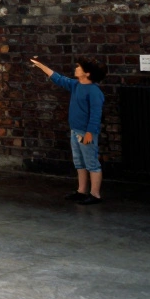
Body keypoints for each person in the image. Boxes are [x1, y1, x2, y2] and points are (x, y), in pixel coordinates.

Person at [30, 56, 108, 205]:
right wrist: (41, 66)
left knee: (91, 162)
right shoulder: (76, 85)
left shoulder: (94, 92)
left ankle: (95, 194)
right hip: (76, 131)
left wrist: (90, 133)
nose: (76, 68)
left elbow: (96, 115)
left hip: (86, 133)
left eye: (79, 67)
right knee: (79, 162)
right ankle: (81, 190)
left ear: (87, 73)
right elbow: (58, 78)